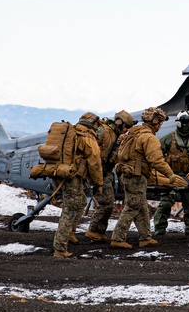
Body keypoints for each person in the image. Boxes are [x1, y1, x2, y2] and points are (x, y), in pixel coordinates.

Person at [111, 107, 175, 249]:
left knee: (141, 206)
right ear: (155, 122)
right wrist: (170, 175)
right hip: (136, 177)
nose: (160, 126)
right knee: (133, 206)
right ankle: (117, 238)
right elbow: (157, 160)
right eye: (159, 123)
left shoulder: (133, 133)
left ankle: (145, 237)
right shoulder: (149, 138)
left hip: (126, 174)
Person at [53, 113, 104, 258]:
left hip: (60, 173)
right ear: (94, 123)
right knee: (70, 208)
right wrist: (98, 183)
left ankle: (69, 234)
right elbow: (95, 163)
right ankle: (60, 248)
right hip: (71, 176)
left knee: (80, 201)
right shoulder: (87, 137)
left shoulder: (72, 132)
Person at [153, 111, 189, 236]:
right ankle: (160, 228)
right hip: (170, 177)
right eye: (185, 123)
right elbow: (157, 156)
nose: (188, 125)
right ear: (179, 124)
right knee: (166, 202)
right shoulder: (168, 139)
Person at [85, 110, 134, 242]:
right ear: (119, 122)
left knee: (107, 203)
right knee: (105, 203)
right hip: (97, 171)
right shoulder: (104, 131)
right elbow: (88, 146)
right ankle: (93, 230)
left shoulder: (116, 136)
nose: (126, 130)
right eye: (126, 127)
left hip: (106, 172)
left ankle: (99, 232)